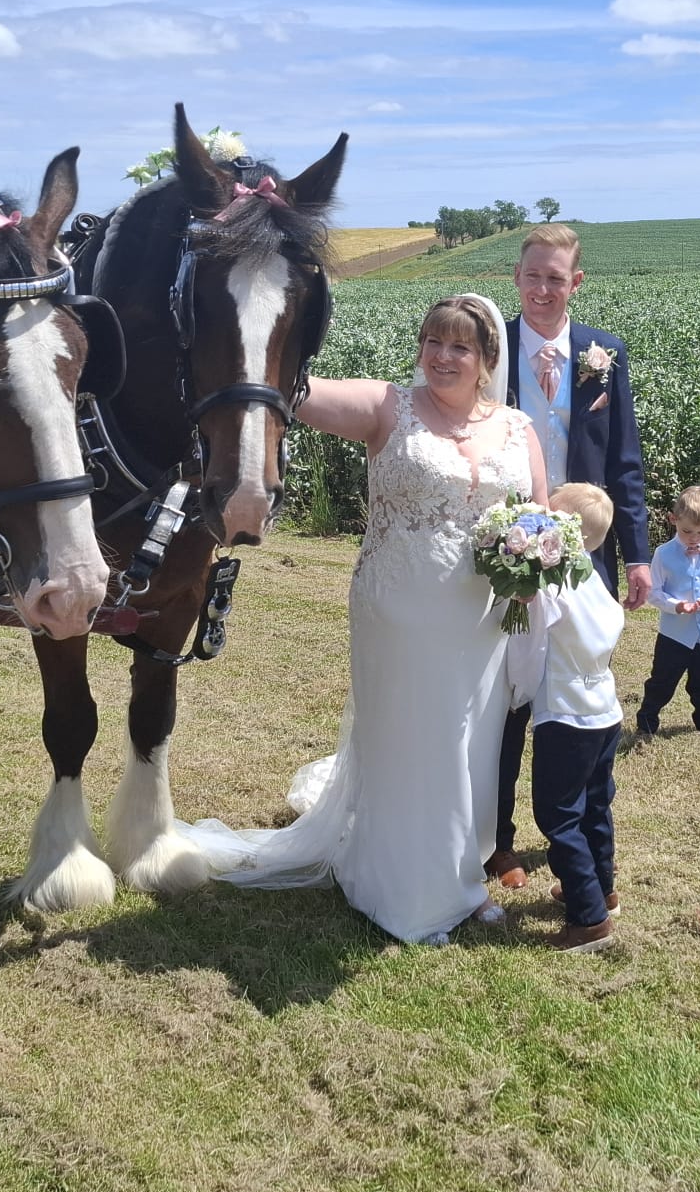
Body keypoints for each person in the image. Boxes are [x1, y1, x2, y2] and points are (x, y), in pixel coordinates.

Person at [177, 293, 549, 945]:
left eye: (459, 345)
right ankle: (400, 894)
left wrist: (536, 565)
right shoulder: (389, 408)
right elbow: (290, 388)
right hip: (398, 609)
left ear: (487, 359)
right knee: (412, 744)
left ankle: (460, 876)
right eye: (432, 341)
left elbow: (540, 517)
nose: (441, 356)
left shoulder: (518, 429)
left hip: (482, 621)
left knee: (470, 749)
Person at [492, 222, 649, 888]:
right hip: (507, 539)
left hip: (586, 553)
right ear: (518, 277)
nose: (543, 289)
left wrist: (637, 557)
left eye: (557, 278)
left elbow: (626, 462)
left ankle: (587, 841)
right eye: (534, 275)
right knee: (505, 702)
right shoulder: (490, 346)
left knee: (583, 701)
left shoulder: (603, 353)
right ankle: (496, 840)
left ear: (575, 282)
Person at [507, 482, 625, 954]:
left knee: (558, 815)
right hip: (605, 711)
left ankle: (589, 918)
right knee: (596, 804)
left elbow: (531, 644)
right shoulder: (595, 577)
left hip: (566, 716)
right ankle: (602, 888)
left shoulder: (553, 586)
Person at [637, 485, 700, 741]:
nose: (693, 538)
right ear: (673, 520)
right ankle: (647, 723)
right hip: (674, 635)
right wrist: (676, 605)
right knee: (662, 681)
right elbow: (653, 592)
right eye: (686, 531)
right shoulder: (664, 554)